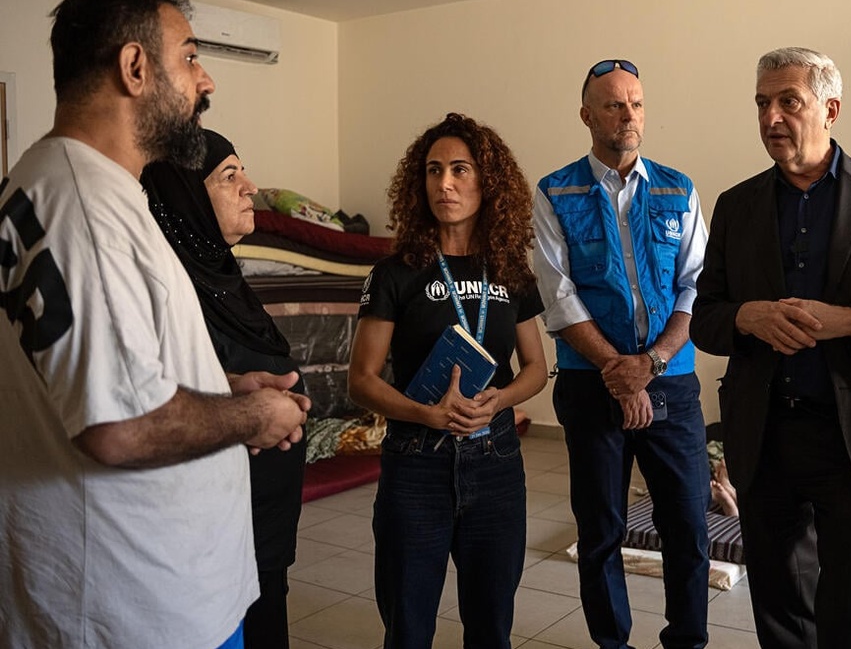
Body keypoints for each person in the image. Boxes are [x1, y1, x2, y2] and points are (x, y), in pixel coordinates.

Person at [0, 0, 308, 648]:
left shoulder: (51, 180)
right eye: (190, 57)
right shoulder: (86, 208)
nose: (206, 81)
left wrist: (224, 388)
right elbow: (116, 426)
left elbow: (96, 373)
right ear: (136, 69)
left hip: (136, 594)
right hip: (135, 608)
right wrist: (254, 415)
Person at [690, 46, 851, 649]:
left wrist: (849, 322)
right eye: (762, 103)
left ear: (831, 109)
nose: (771, 117)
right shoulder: (736, 205)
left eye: (790, 101)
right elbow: (704, 319)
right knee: (780, 609)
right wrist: (747, 317)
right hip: (764, 434)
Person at [348, 112, 547, 649]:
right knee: (409, 628)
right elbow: (362, 380)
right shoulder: (395, 272)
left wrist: (499, 400)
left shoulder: (510, 270)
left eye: (460, 170)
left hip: (496, 464)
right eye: (434, 171)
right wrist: (426, 414)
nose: (445, 184)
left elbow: (536, 368)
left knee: (490, 626)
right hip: (416, 462)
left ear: (489, 182)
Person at [533, 59, 711, 649]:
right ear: (587, 115)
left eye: (635, 102)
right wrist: (622, 375)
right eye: (612, 104)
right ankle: (613, 643)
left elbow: (696, 286)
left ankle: (686, 640)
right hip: (591, 387)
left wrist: (651, 364)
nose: (627, 114)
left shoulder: (677, 188)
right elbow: (557, 296)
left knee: (687, 527)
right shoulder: (555, 192)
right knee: (602, 529)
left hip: (673, 383)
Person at [141, 128, 307, 649]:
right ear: (185, 197)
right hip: (209, 536)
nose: (250, 187)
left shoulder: (223, 278)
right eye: (229, 176)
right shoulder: (167, 290)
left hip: (265, 526)